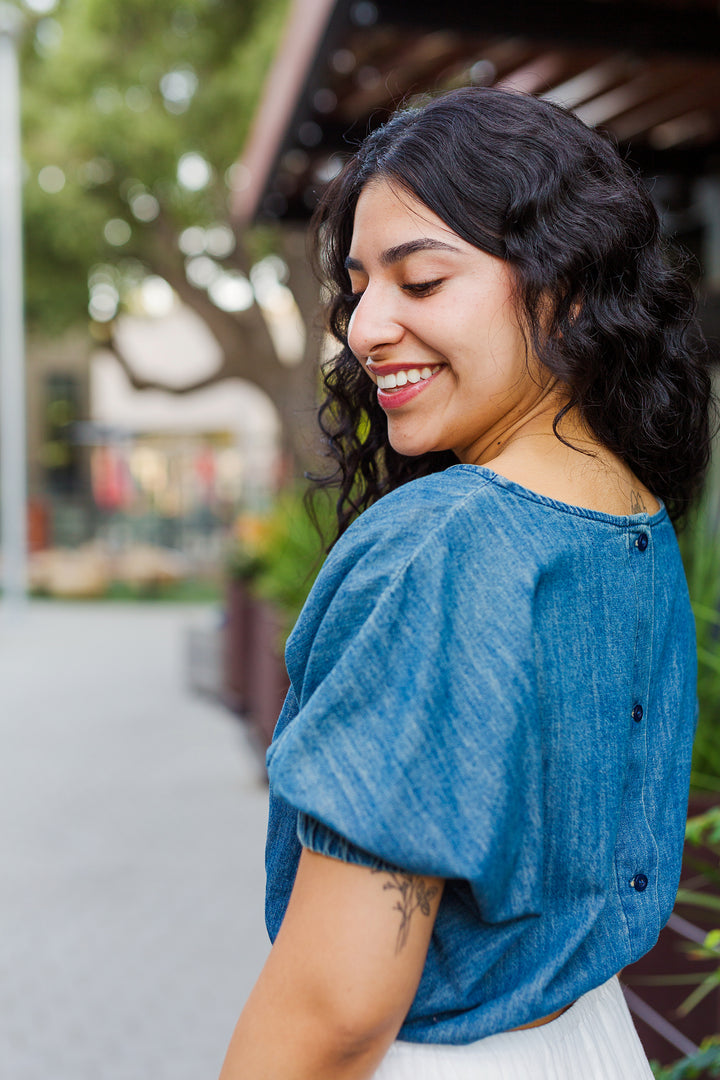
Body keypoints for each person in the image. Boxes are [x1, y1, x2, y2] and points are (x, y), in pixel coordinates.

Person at [218, 87, 713, 1079]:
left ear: (564, 286)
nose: (364, 330)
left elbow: (336, 1008)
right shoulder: (632, 518)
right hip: (593, 1043)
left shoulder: (442, 551)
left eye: (423, 282)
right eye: (360, 287)